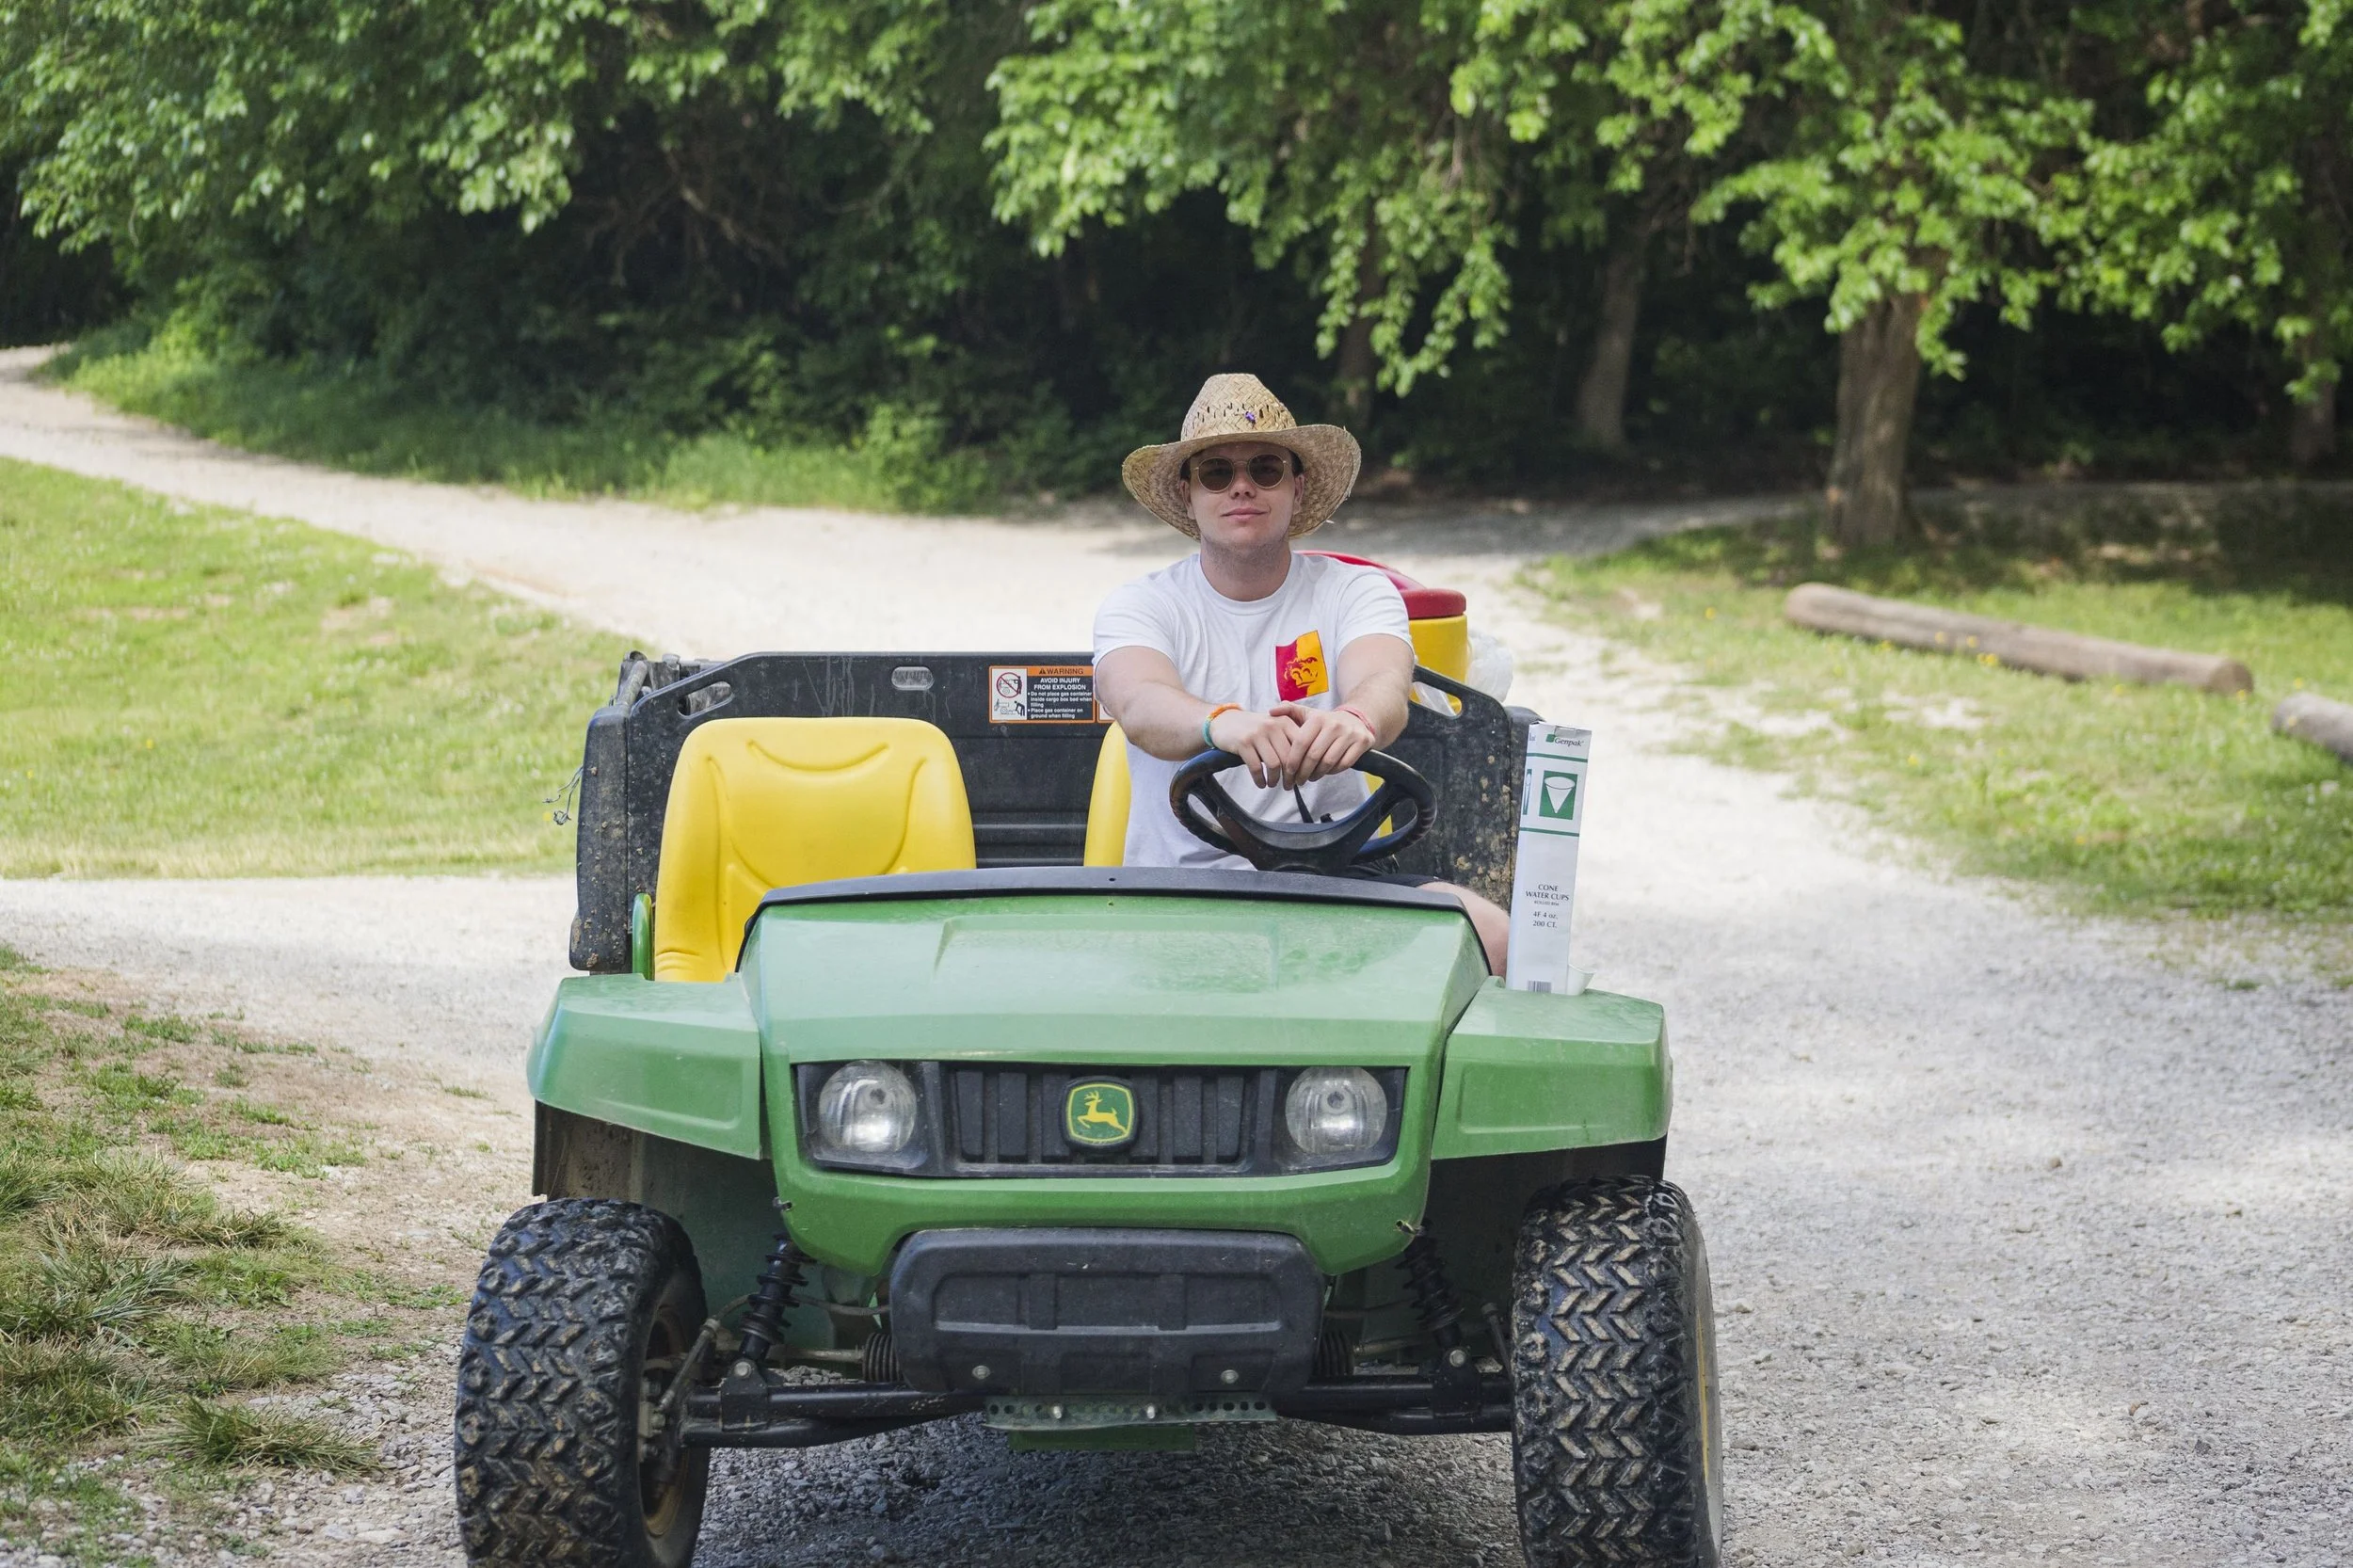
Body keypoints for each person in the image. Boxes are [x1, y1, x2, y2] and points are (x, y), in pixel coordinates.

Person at [1093, 373, 1511, 973]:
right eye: (1217, 473)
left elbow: (1384, 683)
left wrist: (1355, 720)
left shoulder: (1355, 591)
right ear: (1188, 493)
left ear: (1296, 484)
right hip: (1179, 888)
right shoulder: (1141, 605)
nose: (1242, 487)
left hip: (1340, 873)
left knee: (1495, 937)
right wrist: (1222, 725)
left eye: (1264, 469)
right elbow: (1139, 702)